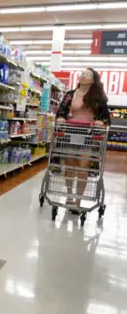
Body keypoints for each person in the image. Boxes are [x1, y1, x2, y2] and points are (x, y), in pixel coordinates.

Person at [55, 68, 110, 212]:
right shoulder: (70, 95)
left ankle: (78, 201)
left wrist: (100, 122)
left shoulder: (98, 97)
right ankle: (69, 194)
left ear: (93, 80)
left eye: (88, 74)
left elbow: (105, 117)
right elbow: (61, 111)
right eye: (83, 73)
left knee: (82, 167)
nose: (83, 75)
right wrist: (61, 118)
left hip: (88, 134)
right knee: (70, 165)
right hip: (71, 132)